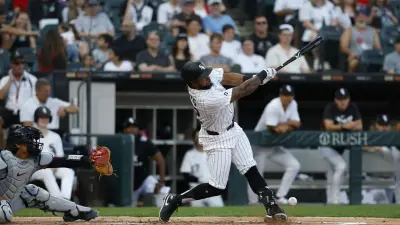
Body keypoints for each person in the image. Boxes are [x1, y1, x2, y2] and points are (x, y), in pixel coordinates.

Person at [159, 61, 287, 222]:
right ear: (192, 83)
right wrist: (260, 78)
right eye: (202, 77)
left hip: (233, 129)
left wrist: (254, 78)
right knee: (216, 187)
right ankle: (174, 200)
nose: (207, 78)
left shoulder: (203, 78)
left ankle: (272, 206)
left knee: (250, 168)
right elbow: (242, 90)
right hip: (217, 139)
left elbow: (229, 78)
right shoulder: (205, 99)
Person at [0, 125, 99, 223]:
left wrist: (88, 159)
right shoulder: (4, 158)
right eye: (29, 141)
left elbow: (63, 161)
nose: (34, 143)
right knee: (4, 214)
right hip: (2, 203)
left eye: (34, 140)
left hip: (10, 202)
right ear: (18, 144)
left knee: (32, 191)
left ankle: (74, 210)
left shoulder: (35, 159)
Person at [248, 85, 301, 205]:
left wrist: (285, 125)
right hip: (259, 146)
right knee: (257, 175)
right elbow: (273, 128)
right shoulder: (273, 106)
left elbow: (297, 123)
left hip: (274, 146)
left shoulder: (293, 104)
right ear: (281, 95)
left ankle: (280, 196)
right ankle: (253, 202)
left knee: (294, 165)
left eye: (290, 95)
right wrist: (288, 125)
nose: (288, 98)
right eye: (285, 95)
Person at [319, 88, 363, 204]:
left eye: (345, 99)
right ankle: (335, 199)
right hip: (326, 146)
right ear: (335, 100)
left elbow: (360, 126)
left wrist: (350, 126)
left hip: (340, 149)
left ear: (348, 99)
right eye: (340, 99)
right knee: (341, 166)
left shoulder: (352, 107)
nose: (343, 102)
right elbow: (328, 126)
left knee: (331, 174)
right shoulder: (331, 108)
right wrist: (344, 126)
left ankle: (330, 203)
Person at [30, 106, 75, 200]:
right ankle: (59, 200)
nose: (44, 120)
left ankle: (65, 198)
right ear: (36, 119)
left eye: (46, 117)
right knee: (46, 172)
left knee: (68, 172)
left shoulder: (55, 137)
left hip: (52, 167)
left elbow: (60, 157)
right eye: (41, 117)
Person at [121, 118, 167, 207]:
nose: (131, 130)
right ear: (124, 129)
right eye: (129, 127)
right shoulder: (120, 141)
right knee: (127, 209)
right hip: (127, 183)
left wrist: (161, 181)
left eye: (134, 127)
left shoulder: (144, 141)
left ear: (138, 129)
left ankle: (164, 215)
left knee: (163, 190)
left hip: (143, 179)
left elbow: (160, 160)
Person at [180, 130, 224, 207]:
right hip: (196, 189)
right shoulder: (189, 154)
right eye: (196, 137)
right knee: (196, 215)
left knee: (219, 211)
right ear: (193, 139)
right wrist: (199, 180)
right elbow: (185, 174)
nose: (198, 140)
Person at [363, 114, 400, 204]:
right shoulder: (370, 136)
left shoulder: (394, 138)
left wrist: (380, 148)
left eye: (386, 125)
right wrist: (373, 147)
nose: (384, 128)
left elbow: (393, 155)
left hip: (389, 180)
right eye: (381, 125)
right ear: (376, 125)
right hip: (371, 181)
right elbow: (360, 145)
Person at [0, 53, 37, 129]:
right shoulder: (5, 79)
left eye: (22, 63)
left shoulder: (32, 80)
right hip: (9, 111)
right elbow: (1, 96)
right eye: (17, 63)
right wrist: (10, 81)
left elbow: (35, 100)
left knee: (29, 120)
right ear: (11, 65)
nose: (20, 66)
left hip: (24, 112)